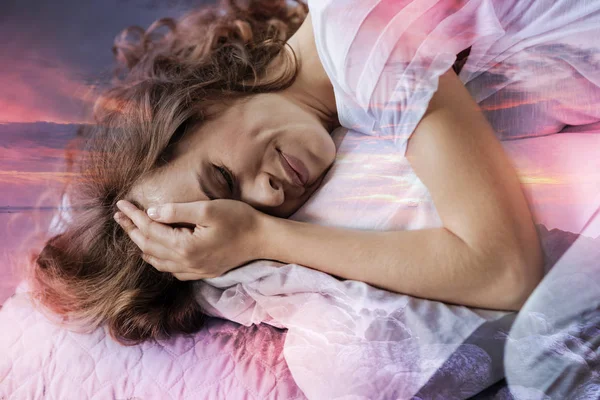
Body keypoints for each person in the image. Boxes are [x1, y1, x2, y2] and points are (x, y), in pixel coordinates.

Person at [29, 0, 600, 347]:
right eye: (248, 212)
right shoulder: (347, 89)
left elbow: (505, 271)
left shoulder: (357, 43)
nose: (268, 193)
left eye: (223, 179)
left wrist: (266, 237)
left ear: (199, 101)